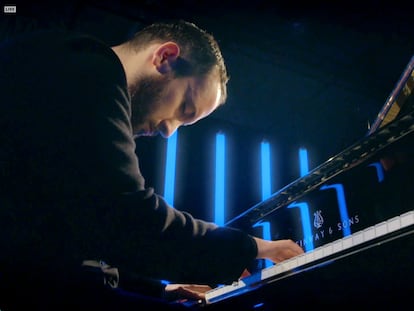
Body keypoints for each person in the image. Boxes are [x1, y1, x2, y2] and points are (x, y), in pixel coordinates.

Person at [0, 19, 304, 310]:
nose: (169, 131)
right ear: (164, 57)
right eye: (184, 108)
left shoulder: (72, 65)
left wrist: (154, 289)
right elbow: (127, 219)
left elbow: (77, 231)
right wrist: (253, 247)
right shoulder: (85, 70)